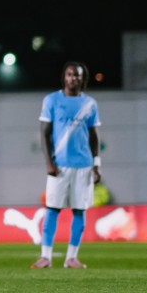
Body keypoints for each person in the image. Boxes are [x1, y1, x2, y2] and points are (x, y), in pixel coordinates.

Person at [33, 62, 100, 269]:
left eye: (77, 75)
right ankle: (45, 257)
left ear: (83, 79)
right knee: (52, 209)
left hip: (84, 165)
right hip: (59, 165)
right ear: (64, 77)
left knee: (79, 211)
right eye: (70, 74)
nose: (73, 78)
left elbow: (94, 136)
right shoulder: (51, 100)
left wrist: (96, 166)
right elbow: (44, 133)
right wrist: (49, 162)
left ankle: (72, 258)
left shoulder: (90, 103)